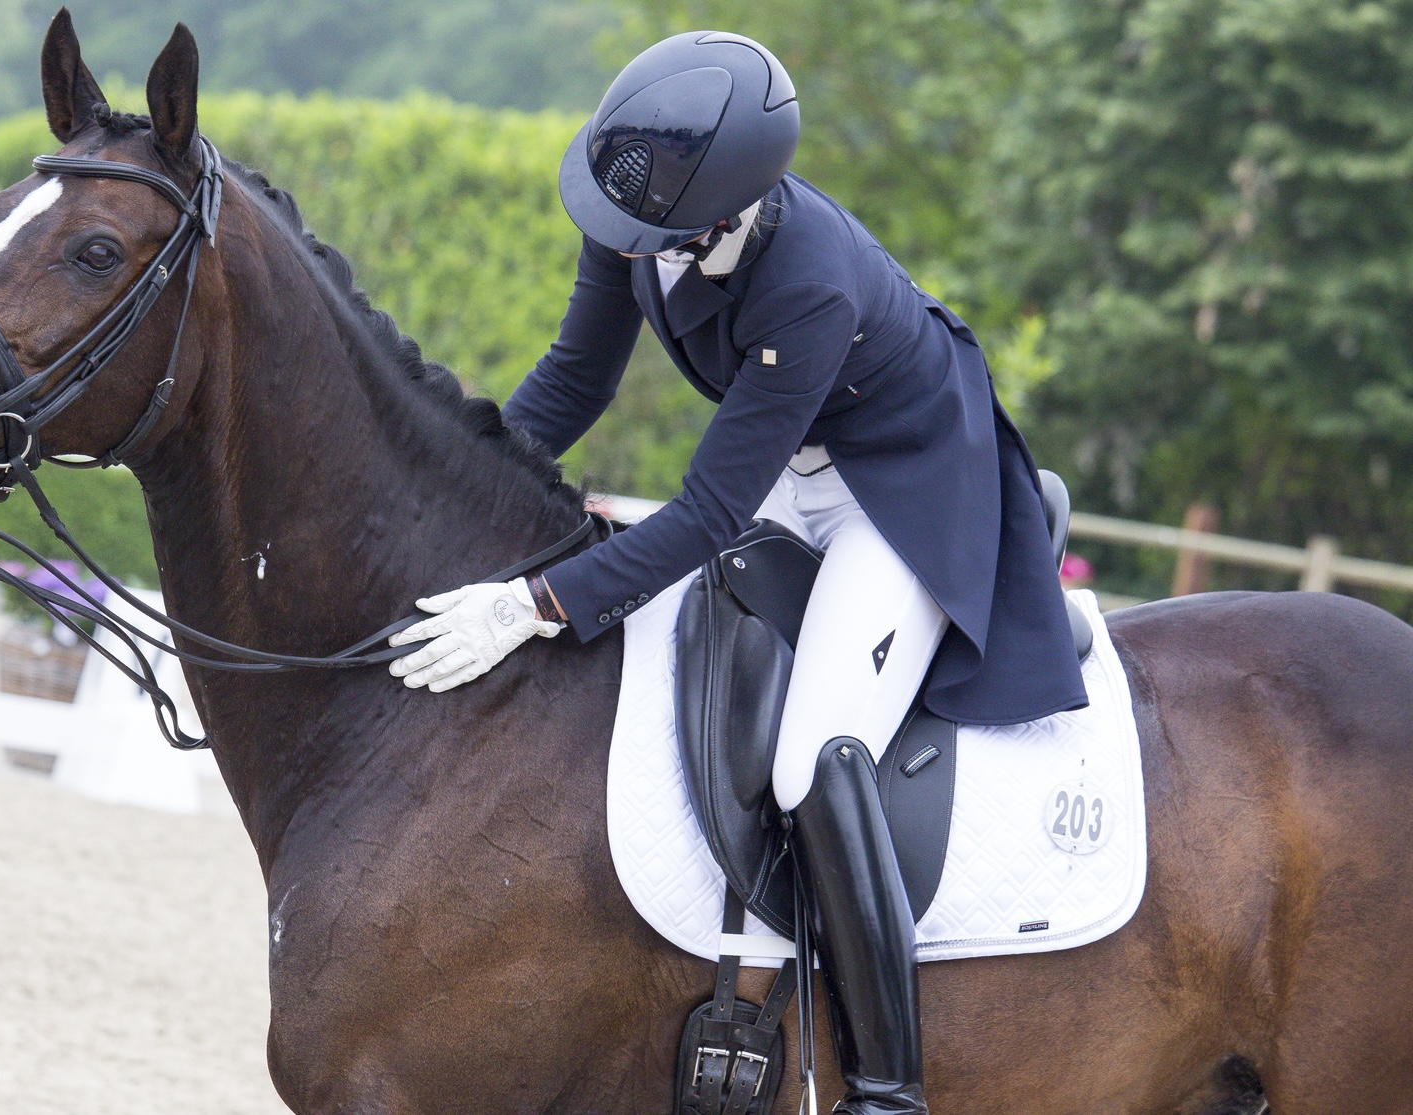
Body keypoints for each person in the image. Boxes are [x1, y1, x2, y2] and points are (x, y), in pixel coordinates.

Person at [387, 32, 1087, 1115]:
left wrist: (534, 603)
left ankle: (887, 1084)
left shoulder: (808, 283)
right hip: (789, 463)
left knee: (812, 755)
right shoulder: (634, 217)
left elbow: (709, 511)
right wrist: (462, 504)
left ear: (720, 215)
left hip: (899, 491)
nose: (620, 243)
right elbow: (573, 378)